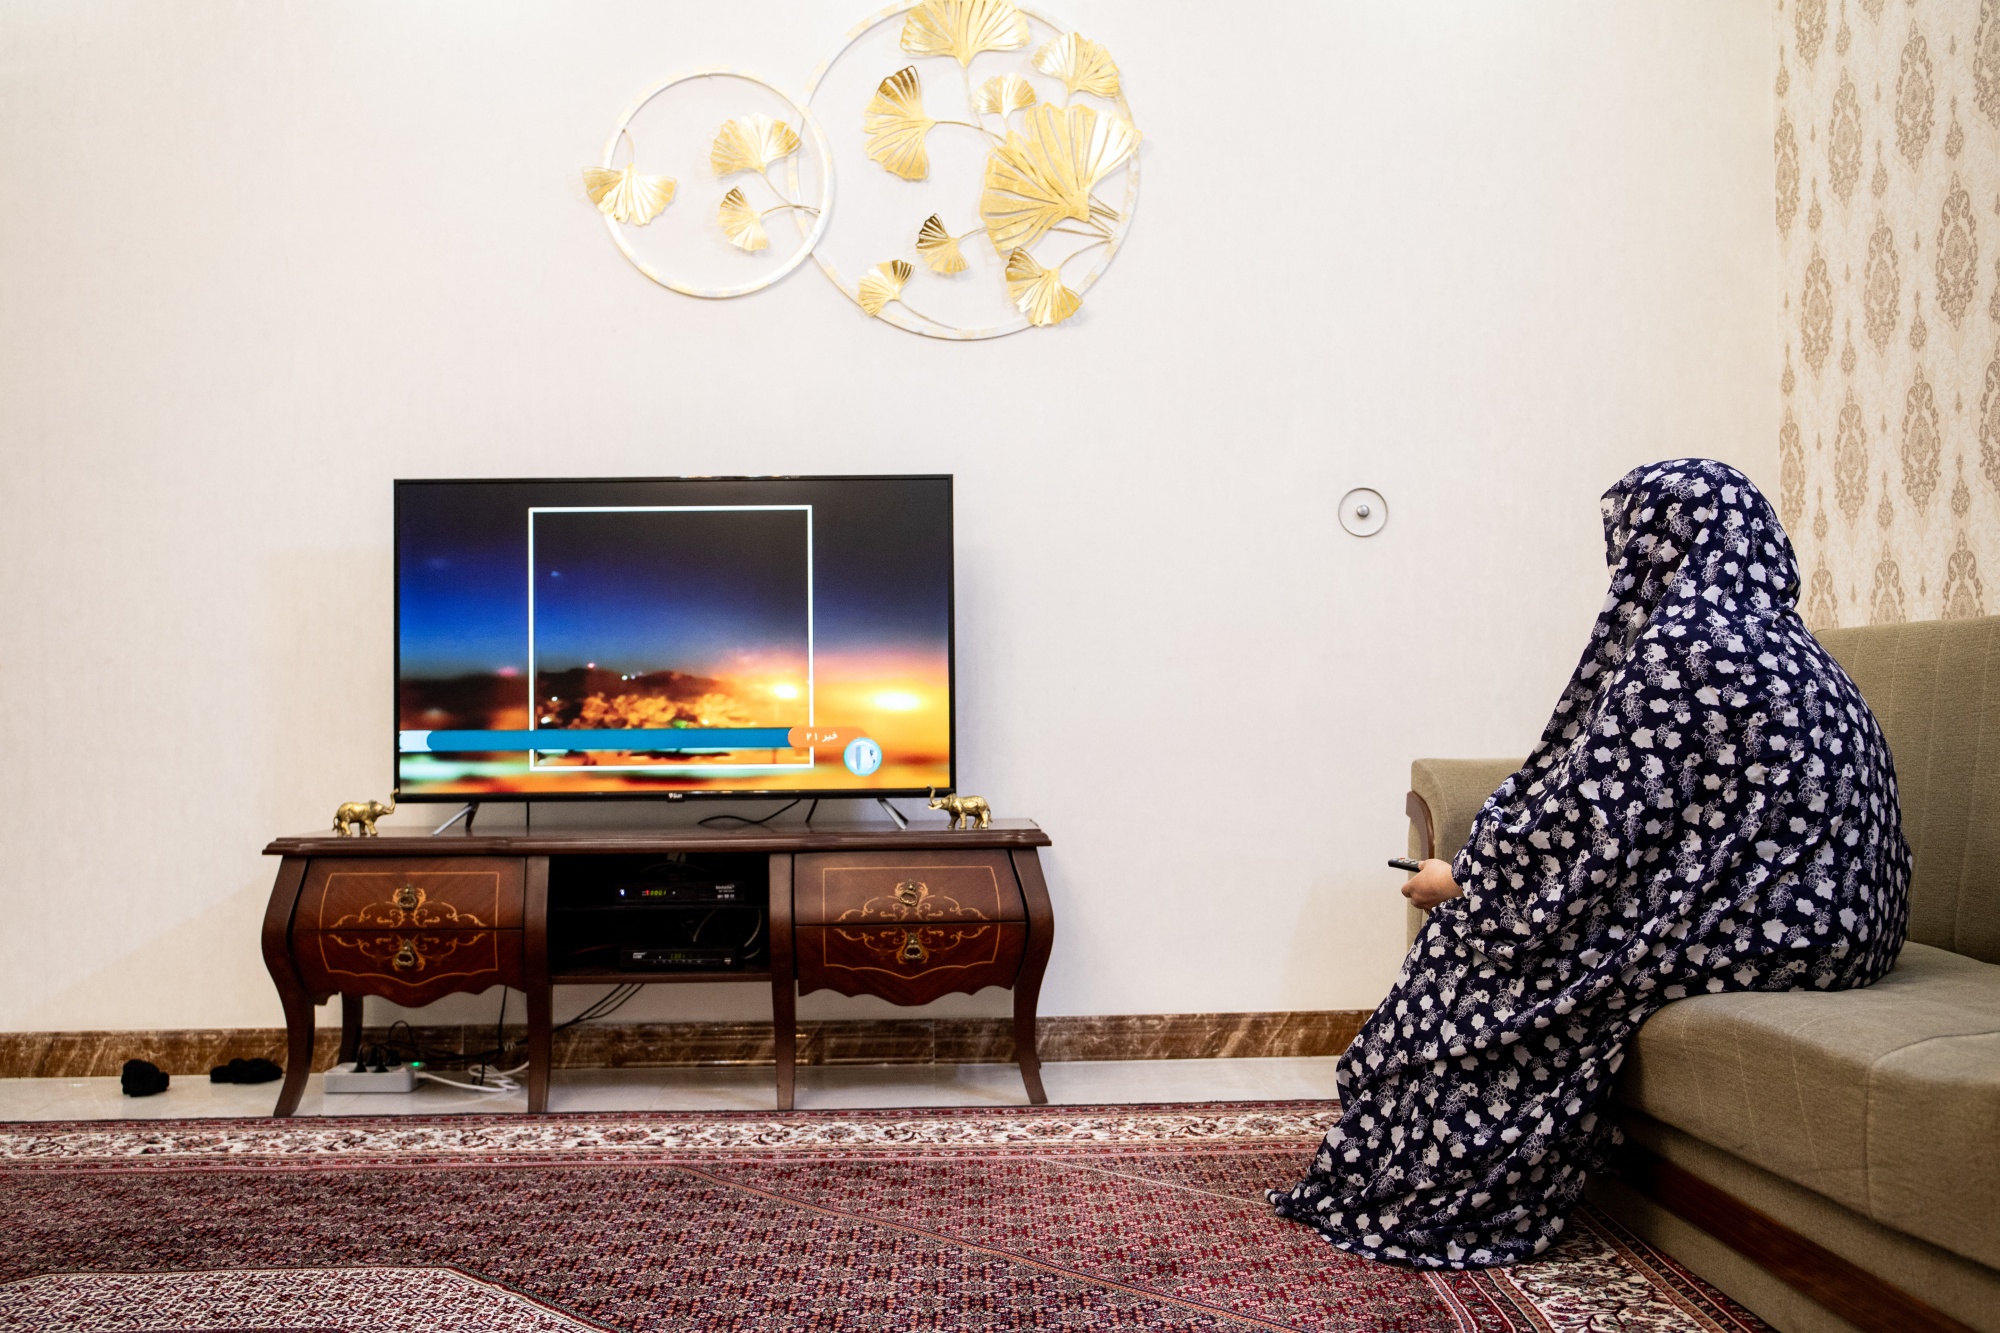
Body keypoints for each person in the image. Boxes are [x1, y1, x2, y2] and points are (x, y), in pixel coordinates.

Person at [1270, 458, 1910, 1269]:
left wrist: (1466, 883)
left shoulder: (1686, 644)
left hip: (1779, 931)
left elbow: (1589, 823)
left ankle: (1425, 1183)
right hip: (1856, 931)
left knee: (1481, 956)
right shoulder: (1791, 644)